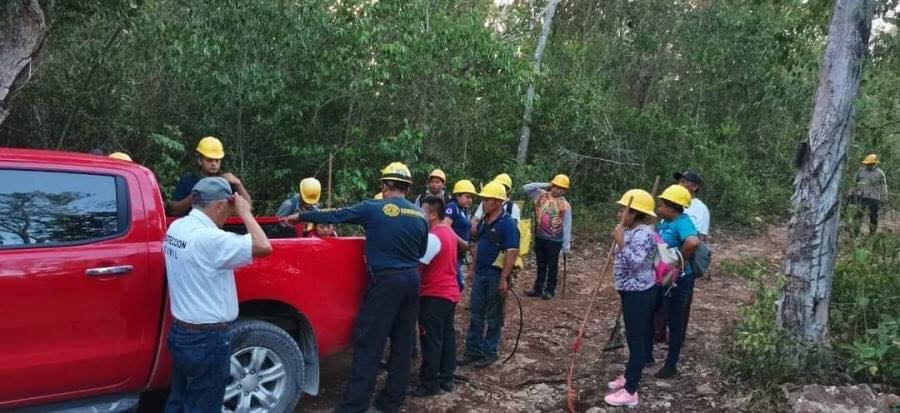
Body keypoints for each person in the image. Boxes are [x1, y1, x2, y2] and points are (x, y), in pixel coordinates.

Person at [281, 162, 427, 413]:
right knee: (403, 343)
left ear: (385, 185)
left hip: (385, 282)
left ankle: (354, 406)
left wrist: (301, 216)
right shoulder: (420, 215)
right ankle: (391, 401)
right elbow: (421, 251)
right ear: (407, 188)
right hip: (412, 280)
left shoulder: (374, 208)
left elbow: (336, 215)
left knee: (369, 343)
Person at [163, 177, 272, 412]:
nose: (230, 214)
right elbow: (264, 246)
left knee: (178, 399)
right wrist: (245, 213)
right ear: (219, 205)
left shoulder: (177, 228)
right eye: (229, 208)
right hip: (207, 339)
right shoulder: (210, 239)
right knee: (204, 405)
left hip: (181, 332)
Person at [604, 189, 659, 408]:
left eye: (623, 210)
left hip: (640, 293)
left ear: (634, 213)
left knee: (636, 340)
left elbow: (635, 263)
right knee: (633, 336)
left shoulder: (644, 234)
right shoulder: (630, 230)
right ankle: (628, 376)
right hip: (629, 290)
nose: (619, 214)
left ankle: (631, 391)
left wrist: (620, 243)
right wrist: (620, 240)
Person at [460, 181, 520, 368]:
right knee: (476, 313)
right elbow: (479, 246)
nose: (484, 203)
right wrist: (472, 269)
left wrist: (504, 278)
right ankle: (473, 350)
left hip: (495, 275)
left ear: (498, 202)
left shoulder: (507, 224)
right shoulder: (484, 222)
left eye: (487, 200)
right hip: (481, 274)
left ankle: (490, 352)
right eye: (483, 199)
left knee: (494, 316)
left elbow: (511, 251)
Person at [409, 196, 460, 397]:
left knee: (431, 339)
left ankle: (429, 383)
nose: (419, 214)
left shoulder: (433, 237)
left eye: (422, 211)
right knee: (447, 336)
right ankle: (446, 377)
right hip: (449, 292)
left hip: (434, 294)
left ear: (432, 214)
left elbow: (418, 266)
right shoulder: (448, 232)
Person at [651, 184, 700, 379]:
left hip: (678, 280)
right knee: (652, 312)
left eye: (662, 205)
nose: (659, 208)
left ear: (672, 207)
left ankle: (671, 364)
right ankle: (647, 355)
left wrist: (678, 261)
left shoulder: (683, 223)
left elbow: (692, 242)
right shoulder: (667, 222)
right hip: (662, 277)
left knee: (674, 320)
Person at [170, 136, 252, 217]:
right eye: (209, 160)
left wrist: (238, 184)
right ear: (200, 161)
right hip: (195, 224)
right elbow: (173, 211)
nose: (214, 164)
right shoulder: (188, 181)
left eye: (217, 160)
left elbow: (248, 208)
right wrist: (192, 198)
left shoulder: (227, 182)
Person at [523, 174, 572, 300]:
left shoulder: (565, 205)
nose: (558, 190)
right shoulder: (541, 195)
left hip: (555, 240)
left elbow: (567, 225)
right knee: (541, 264)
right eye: (556, 186)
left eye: (561, 188)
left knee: (552, 265)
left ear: (565, 191)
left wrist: (566, 244)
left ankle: (550, 290)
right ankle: (537, 288)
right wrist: (547, 185)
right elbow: (526, 187)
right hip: (540, 237)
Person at [443, 179, 476, 291]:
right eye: (467, 197)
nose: (470, 200)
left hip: (459, 254)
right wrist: (462, 242)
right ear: (457, 196)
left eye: (471, 198)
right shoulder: (452, 207)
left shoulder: (463, 210)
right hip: (451, 253)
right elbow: (445, 227)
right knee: (457, 284)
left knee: (457, 284)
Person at [470, 173, 521, 238]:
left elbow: (512, 231)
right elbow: (474, 223)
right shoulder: (484, 203)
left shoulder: (513, 208)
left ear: (507, 190)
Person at [854, 154, 888, 234]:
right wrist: (853, 193)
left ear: (874, 164)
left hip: (874, 198)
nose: (869, 165)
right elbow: (854, 182)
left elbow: (883, 187)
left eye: (871, 164)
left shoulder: (880, 173)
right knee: (858, 215)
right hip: (861, 196)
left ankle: (872, 234)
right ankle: (855, 233)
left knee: (873, 217)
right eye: (867, 164)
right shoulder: (860, 171)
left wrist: (884, 199)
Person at [674, 171, 709, 241]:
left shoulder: (701, 208)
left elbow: (701, 238)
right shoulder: (672, 203)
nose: (679, 185)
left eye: (683, 182)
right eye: (679, 182)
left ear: (694, 186)